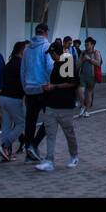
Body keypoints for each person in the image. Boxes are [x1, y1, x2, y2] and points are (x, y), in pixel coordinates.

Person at [35, 40, 80, 171]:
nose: (50, 56)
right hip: (51, 105)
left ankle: (74, 156)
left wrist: (54, 86)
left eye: (51, 54)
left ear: (55, 52)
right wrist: (49, 87)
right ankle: (49, 160)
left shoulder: (68, 62)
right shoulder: (56, 64)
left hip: (65, 105)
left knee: (69, 133)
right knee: (50, 133)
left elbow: (72, 82)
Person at [21, 22, 53, 162]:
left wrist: (25, 88)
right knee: (50, 119)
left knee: (30, 121)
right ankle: (33, 146)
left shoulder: (27, 49)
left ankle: (29, 151)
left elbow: (22, 71)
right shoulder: (46, 47)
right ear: (45, 32)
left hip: (29, 89)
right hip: (44, 88)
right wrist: (52, 84)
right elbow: (50, 67)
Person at [0, 41, 28, 162]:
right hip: (14, 98)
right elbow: (24, 82)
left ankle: (6, 153)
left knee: (6, 125)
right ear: (21, 50)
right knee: (21, 123)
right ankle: (5, 145)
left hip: (3, 97)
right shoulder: (21, 64)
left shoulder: (8, 64)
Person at [76, 36, 102, 116]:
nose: (86, 46)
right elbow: (77, 65)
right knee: (80, 91)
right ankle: (83, 106)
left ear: (92, 45)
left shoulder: (96, 52)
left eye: (87, 45)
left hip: (92, 76)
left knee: (89, 93)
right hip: (82, 75)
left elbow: (98, 63)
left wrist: (89, 59)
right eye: (85, 45)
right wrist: (82, 60)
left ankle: (86, 111)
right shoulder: (83, 53)